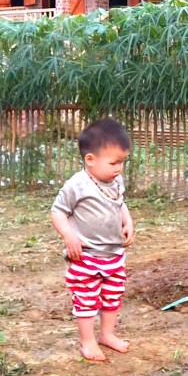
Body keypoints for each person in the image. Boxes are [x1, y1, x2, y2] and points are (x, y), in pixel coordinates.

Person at [51, 118, 136, 361]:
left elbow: (120, 203)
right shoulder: (77, 185)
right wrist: (69, 236)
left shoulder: (115, 181)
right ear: (90, 160)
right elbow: (58, 211)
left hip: (113, 255)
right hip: (86, 256)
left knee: (112, 296)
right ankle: (87, 342)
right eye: (114, 162)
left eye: (122, 162)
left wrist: (127, 221)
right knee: (87, 300)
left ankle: (107, 335)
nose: (119, 168)